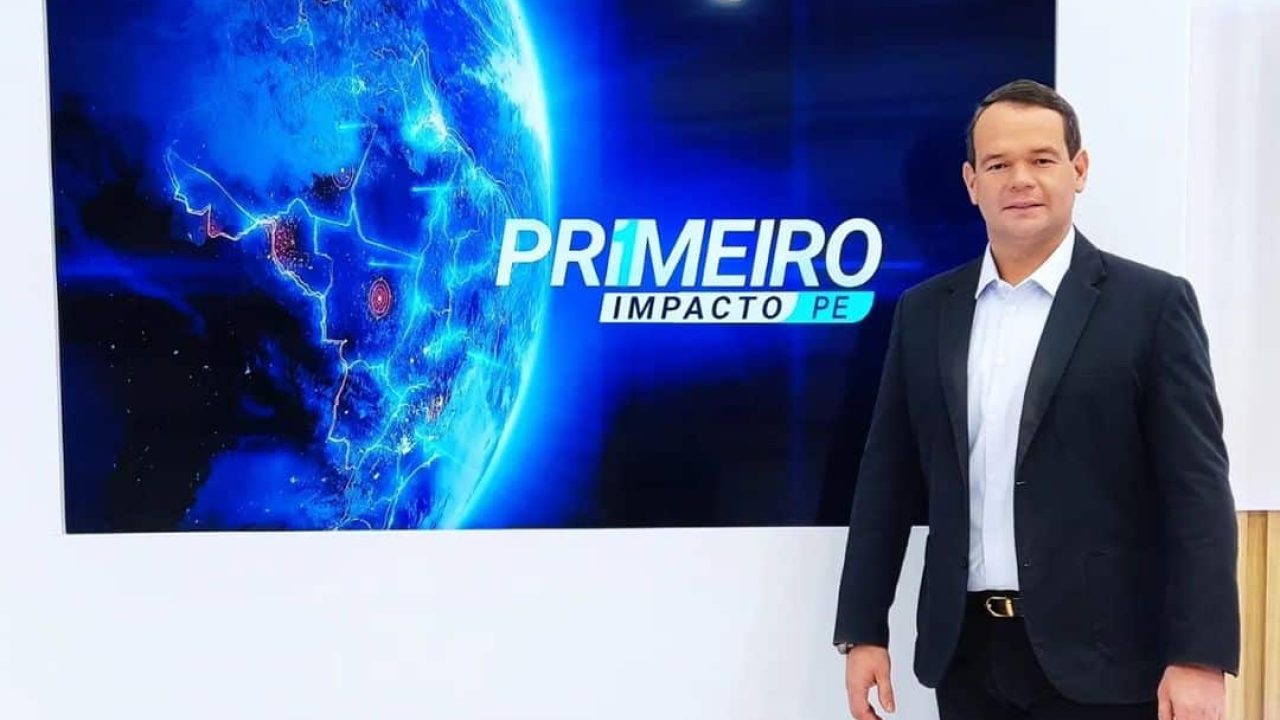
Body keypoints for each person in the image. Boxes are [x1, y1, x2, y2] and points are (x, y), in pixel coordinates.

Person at [832, 79, 1240, 720]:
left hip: (1108, 661)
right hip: (966, 657)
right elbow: (886, 479)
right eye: (998, 164)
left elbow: (1196, 491)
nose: (1020, 179)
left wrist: (1200, 656)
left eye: (1042, 159)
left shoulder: (1152, 306)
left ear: (1079, 170)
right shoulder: (924, 313)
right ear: (972, 182)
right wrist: (863, 630)